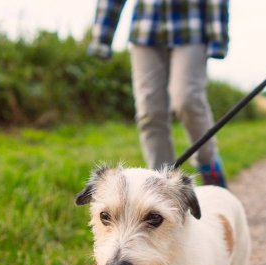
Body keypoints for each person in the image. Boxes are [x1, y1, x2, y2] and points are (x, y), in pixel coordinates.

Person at [88, 0, 229, 188]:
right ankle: (162, 183)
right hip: (146, 28)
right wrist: (101, 37)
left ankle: (208, 165)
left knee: (187, 100)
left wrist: (218, 36)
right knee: (150, 111)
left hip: (192, 26)